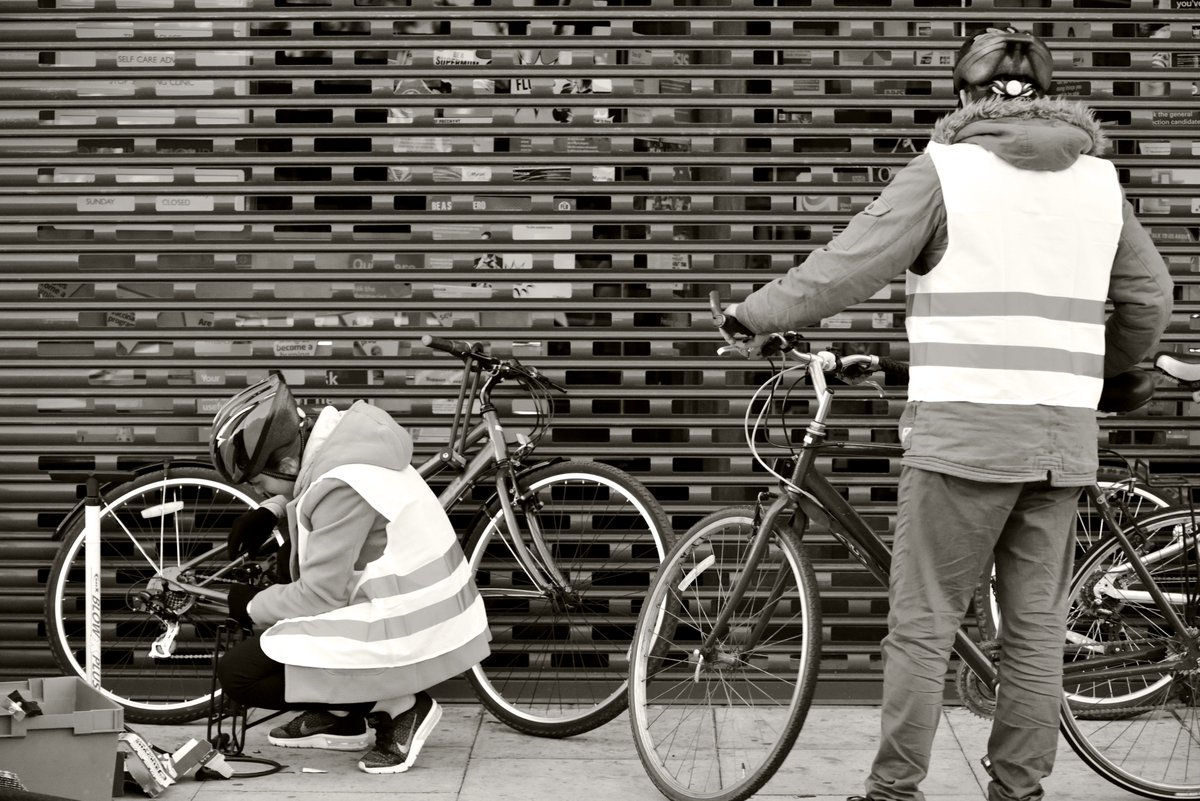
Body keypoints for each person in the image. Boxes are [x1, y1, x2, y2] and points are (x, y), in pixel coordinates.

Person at [718, 27, 1173, 801]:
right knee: (1032, 633)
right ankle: (1017, 792)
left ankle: (895, 791)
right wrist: (1106, 373)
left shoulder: (947, 172)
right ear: (1048, 99)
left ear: (965, 99)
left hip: (963, 439)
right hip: (1061, 439)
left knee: (925, 625)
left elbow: (846, 264)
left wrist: (752, 316)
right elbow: (1151, 296)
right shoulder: (1098, 181)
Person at [210, 372, 491, 774]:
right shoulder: (348, 442)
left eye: (258, 482)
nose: (257, 490)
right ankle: (344, 716)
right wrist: (271, 508)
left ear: (287, 461)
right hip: (411, 605)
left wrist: (248, 605)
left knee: (241, 674)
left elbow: (320, 594)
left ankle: (401, 706)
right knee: (289, 566)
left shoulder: (344, 483)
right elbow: (310, 491)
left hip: (407, 624)